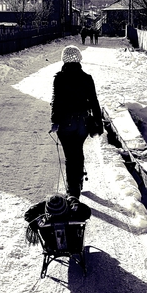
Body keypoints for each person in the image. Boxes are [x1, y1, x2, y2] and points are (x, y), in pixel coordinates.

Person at [50, 45, 103, 198]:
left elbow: (57, 101)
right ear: (79, 59)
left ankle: (72, 191)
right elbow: (94, 102)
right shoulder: (87, 78)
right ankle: (78, 182)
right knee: (78, 151)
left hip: (66, 122)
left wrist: (55, 121)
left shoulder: (59, 78)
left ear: (64, 59)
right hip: (83, 122)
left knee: (69, 156)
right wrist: (98, 123)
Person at [24, 194, 91, 245]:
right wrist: (76, 205)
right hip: (73, 243)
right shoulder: (72, 213)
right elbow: (87, 212)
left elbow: (28, 214)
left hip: (51, 244)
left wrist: (36, 221)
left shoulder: (46, 208)